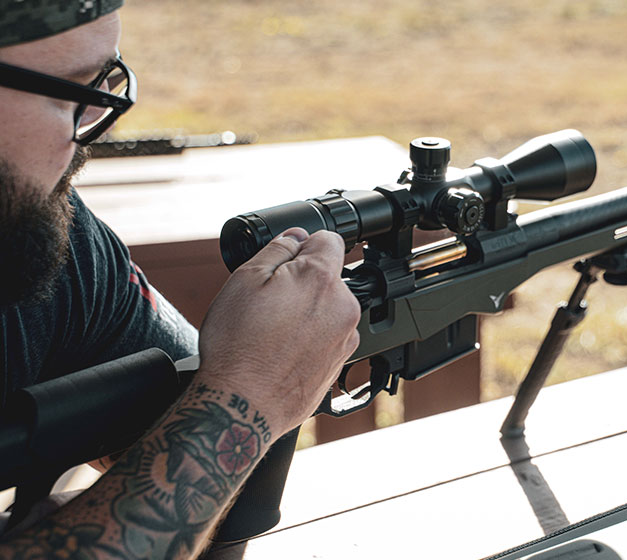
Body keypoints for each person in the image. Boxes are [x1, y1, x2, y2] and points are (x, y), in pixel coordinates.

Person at [0, 1, 360, 557]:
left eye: (104, 83)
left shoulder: (42, 236)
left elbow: (179, 437)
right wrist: (248, 393)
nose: (89, 132)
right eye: (68, 93)